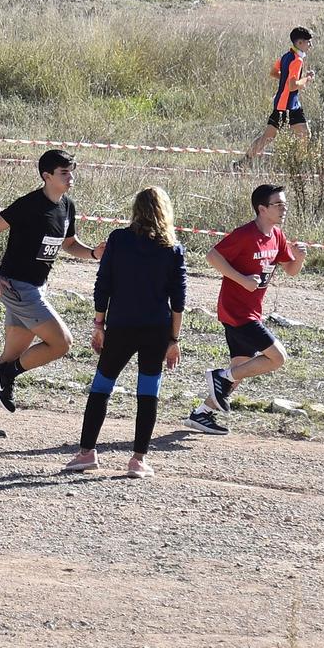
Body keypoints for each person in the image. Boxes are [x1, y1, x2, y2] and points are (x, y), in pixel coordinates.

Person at [0, 149, 102, 439]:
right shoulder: (29, 205)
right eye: (64, 172)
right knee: (62, 343)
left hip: (35, 287)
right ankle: (7, 375)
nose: (71, 177)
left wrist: (91, 253)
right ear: (46, 176)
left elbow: (69, 244)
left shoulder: (67, 206)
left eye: (71, 171)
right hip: (17, 287)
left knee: (11, 355)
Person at [62, 187, 186, 478]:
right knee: (147, 393)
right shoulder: (173, 249)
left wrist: (98, 325)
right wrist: (174, 340)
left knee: (101, 388)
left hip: (120, 326)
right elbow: (178, 301)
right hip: (156, 330)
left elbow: (102, 285)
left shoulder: (118, 240)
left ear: (136, 209)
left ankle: (86, 453)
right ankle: (138, 460)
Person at [187, 183, 305, 434]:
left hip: (252, 310)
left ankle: (202, 414)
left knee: (241, 369)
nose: (284, 209)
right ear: (262, 209)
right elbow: (212, 256)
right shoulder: (245, 234)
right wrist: (241, 279)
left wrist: (300, 257)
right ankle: (220, 376)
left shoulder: (277, 235)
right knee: (277, 357)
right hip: (237, 312)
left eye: (285, 204)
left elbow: (291, 270)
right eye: (278, 204)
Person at [237, 26, 313, 166]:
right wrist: (307, 79)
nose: (310, 45)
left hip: (282, 103)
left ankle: (242, 163)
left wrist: (286, 80)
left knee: (267, 137)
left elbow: (274, 73)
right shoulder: (297, 60)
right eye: (309, 42)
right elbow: (292, 86)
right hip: (289, 106)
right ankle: (298, 165)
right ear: (300, 43)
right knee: (304, 135)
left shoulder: (286, 56)